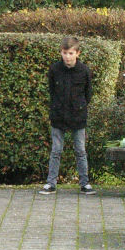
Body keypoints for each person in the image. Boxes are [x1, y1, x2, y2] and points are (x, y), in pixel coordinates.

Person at [38, 36, 94, 195]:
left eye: (70, 53)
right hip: (58, 115)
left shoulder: (84, 71)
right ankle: (51, 183)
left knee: (80, 150)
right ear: (60, 53)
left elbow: (88, 94)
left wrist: (80, 107)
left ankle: (85, 183)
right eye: (64, 53)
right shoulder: (55, 69)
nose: (67, 57)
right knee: (56, 150)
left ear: (77, 53)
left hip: (78, 115)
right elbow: (52, 91)